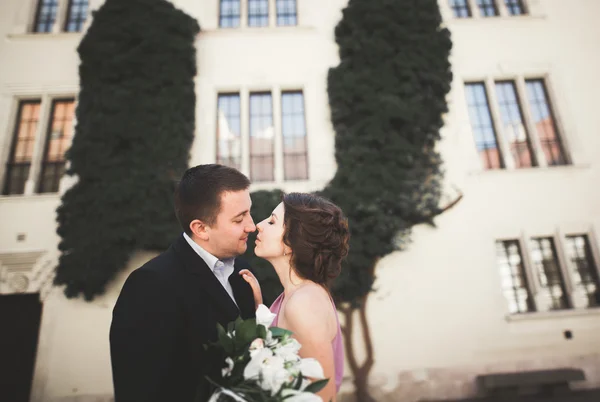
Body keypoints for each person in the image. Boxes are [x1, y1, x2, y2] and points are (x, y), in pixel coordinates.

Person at [110, 164, 257, 402]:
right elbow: (140, 388)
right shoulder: (151, 285)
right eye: (240, 218)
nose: (252, 225)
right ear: (200, 228)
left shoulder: (243, 272)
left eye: (249, 212)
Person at [240, 192, 349, 402]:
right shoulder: (294, 296)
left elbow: (323, 396)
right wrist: (260, 308)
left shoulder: (304, 303)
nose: (258, 225)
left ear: (291, 243)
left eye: (272, 221)